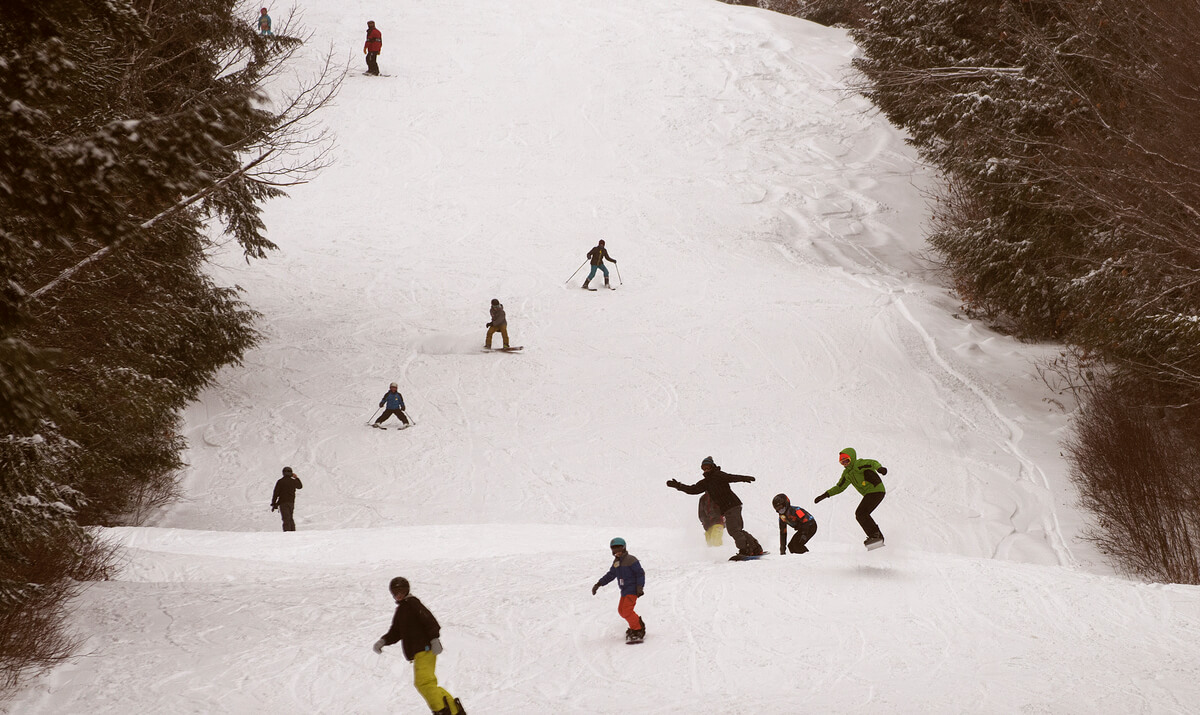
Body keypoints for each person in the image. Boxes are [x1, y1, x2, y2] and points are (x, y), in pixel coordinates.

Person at [372, 577, 466, 715]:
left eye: (401, 591)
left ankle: (441, 711)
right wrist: (383, 641)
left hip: (425, 649)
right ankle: (453, 710)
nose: (398, 595)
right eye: (395, 592)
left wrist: (434, 639)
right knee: (426, 683)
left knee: (424, 683)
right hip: (419, 652)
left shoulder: (413, 604)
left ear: (407, 590)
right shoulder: (402, 610)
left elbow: (430, 621)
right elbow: (396, 631)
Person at [667, 456, 764, 559]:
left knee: (734, 530)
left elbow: (731, 477)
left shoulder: (718, 475)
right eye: (703, 468)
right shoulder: (706, 482)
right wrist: (679, 486)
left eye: (707, 466)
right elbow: (693, 489)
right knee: (737, 529)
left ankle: (745, 550)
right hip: (730, 507)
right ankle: (755, 548)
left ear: (712, 466)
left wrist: (744, 478)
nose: (706, 469)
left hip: (732, 505)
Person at [815, 447, 887, 548]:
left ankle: (876, 536)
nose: (845, 464)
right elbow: (840, 487)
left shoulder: (859, 464)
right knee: (861, 514)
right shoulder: (847, 474)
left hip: (876, 490)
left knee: (861, 513)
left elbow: (872, 463)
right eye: (842, 462)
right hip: (869, 493)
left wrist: (879, 468)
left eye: (847, 461)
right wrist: (826, 494)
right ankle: (876, 537)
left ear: (852, 458)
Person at [591, 537, 646, 642]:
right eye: (614, 551)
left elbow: (640, 574)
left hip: (632, 589)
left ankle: (638, 629)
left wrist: (640, 587)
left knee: (627, 611)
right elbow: (611, 575)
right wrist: (599, 584)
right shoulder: (616, 562)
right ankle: (635, 625)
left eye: (619, 550)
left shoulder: (631, 559)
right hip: (624, 590)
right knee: (621, 611)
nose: (617, 553)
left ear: (624, 548)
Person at [270, 466, 303, 532]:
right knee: (290, 518)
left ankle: (288, 534)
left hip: (283, 502)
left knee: (286, 519)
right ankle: (292, 532)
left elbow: (275, 493)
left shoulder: (280, 481)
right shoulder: (293, 481)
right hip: (291, 502)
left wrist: (274, 503)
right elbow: (300, 486)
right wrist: (296, 478)